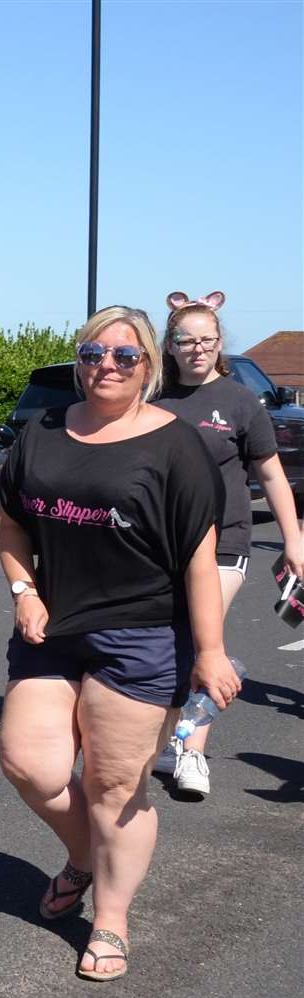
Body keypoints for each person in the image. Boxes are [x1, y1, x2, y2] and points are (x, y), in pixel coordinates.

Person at [0, 305, 241, 982]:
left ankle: (111, 917)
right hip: (54, 626)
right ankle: (84, 857)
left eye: (124, 356)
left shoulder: (175, 445)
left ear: (147, 368)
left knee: (113, 787)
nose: (106, 364)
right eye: (93, 352)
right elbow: (11, 525)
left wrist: (212, 651)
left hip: (143, 634)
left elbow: (198, 553)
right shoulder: (42, 432)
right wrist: (25, 592)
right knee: (27, 762)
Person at [150, 291, 304, 797]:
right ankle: (167, 739)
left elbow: (273, 477)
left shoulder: (240, 402)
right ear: (170, 345)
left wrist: (294, 540)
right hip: (160, 542)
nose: (197, 348)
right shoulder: (153, 399)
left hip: (224, 541)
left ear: (219, 344)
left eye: (207, 340)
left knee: (201, 638)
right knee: (165, 643)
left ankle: (192, 754)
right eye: (186, 340)